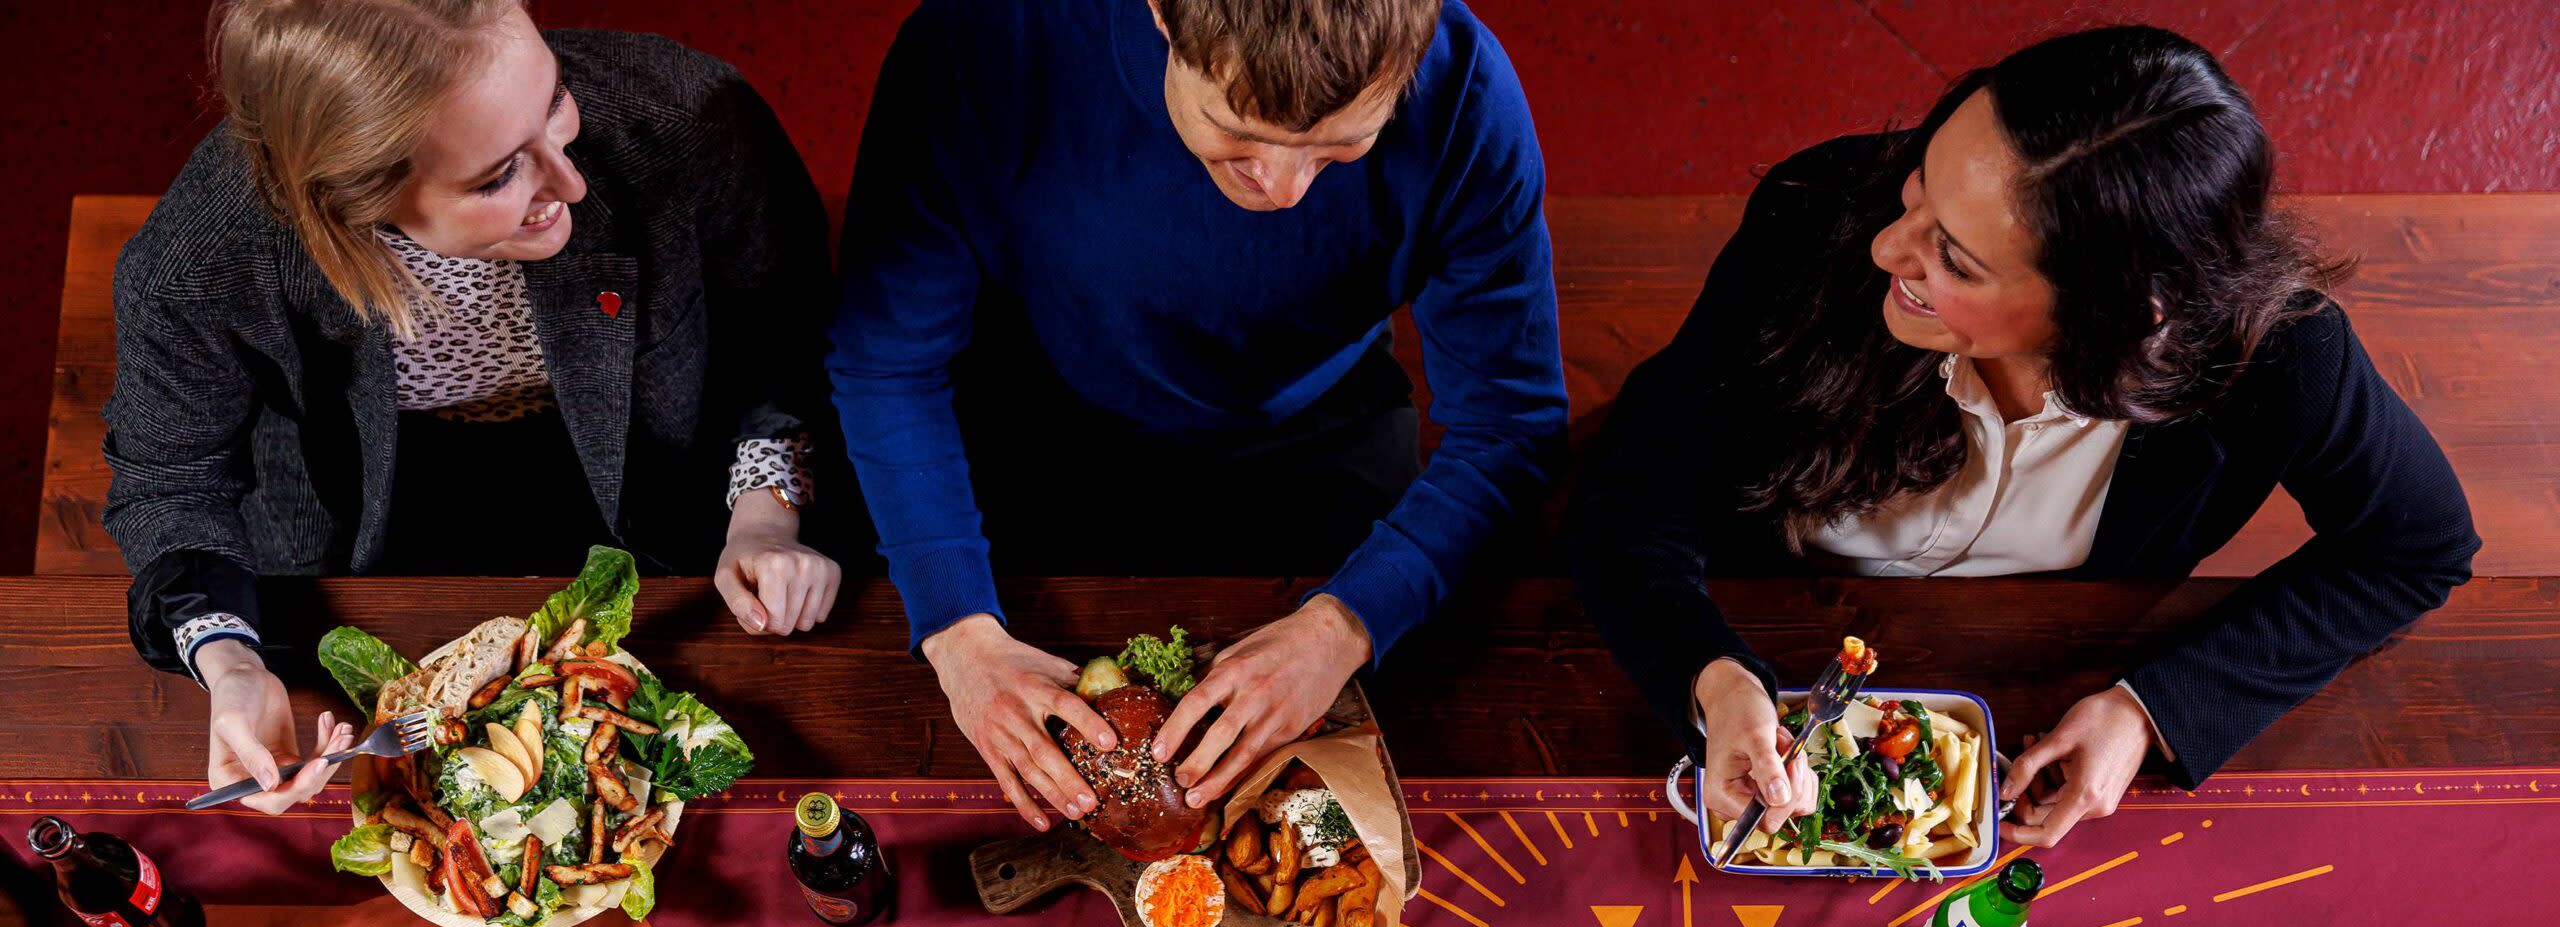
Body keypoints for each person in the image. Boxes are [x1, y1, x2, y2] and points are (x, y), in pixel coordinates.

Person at [1565, 26, 2475, 851]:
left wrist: (2148, 711)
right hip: (1747, 613)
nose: (1888, 246)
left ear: (2115, 318)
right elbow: (1632, 502)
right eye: (1922, 183)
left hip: (2041, 679)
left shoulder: (2283, 355)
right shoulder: (1817, 217)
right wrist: (1713, 678)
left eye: (1954, 259)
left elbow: (2415, 547)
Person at [829, 0, 1566, 833]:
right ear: (1163, 17)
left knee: (1351, 806)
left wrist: (1348, 622)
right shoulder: (980, 42)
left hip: (1321, 430)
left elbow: (1511, 423)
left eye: (1338, 149)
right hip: (1038, 425)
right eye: (1236, 135)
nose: (1283, 193)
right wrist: (959, 631)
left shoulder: (1466, 88)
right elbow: (889, 360)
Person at [112, 0, 848, 817]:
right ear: (352, 200)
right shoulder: (195, 262)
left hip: (659, 471)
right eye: (499, 176)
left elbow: (787, 329)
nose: (570, 181)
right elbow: (169, 482)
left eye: (555, 101)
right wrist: (235, 666)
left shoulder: (690, 116)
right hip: (367, 507)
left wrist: (766, 510)